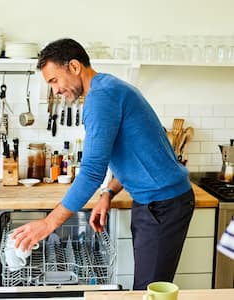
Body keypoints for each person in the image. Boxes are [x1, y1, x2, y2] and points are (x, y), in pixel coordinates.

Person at [12, 38, 195, 290]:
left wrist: (49, 223)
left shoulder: (101, 97)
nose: (55, 91)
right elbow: (136, 153)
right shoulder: (109, 87)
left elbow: (90, 173)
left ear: (74, 67)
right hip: (155, 202)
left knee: (150, 292)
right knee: (146, 289)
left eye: (54, 81)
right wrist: (108, 193)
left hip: (162, 204)